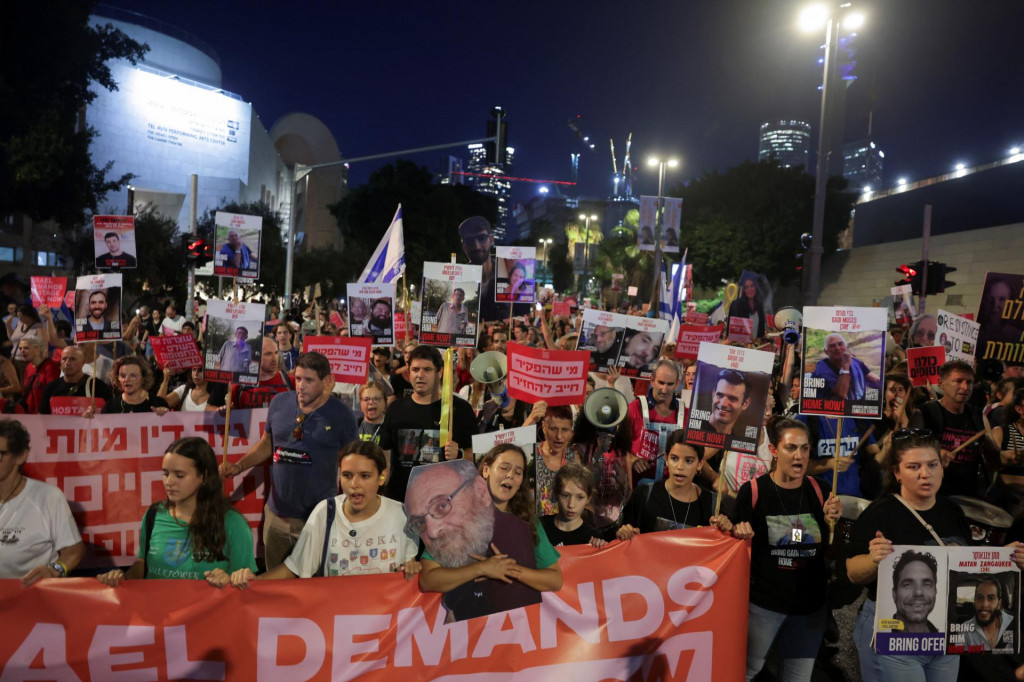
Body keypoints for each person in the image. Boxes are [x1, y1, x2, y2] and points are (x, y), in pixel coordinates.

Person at [845, 429, 1024, 681]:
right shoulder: (881, 513)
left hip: (944, 633)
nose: (924, 474)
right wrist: (874, 559)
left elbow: (964, 566)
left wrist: (1005, 559)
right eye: (913, 466)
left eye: (932, 465)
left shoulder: (952, 511)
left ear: (942, 467)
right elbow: (853, 572)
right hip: (894, 634)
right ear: (897, 472)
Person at [220, 352, 357, 569]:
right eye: (298, 378)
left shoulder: (342, 415)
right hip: (276, 518)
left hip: (317, 521)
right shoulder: (280, 402)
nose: (301, 386)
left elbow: (353, 462)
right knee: (275, 587)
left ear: (327, 381)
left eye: (309, 380)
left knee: (313, 587)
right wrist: (239, 466)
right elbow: (267, 442)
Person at [732, 416, 842, 682]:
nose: (799, 456)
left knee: (798, 678)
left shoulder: (821, 491)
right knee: (745, 672)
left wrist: (834, 525)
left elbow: (833, 551)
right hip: (763, 607)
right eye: (791, 448)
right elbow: (735, 547)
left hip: (809, 609)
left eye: (805, 448)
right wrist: (736, 531)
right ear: (773, 450)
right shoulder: (753, 492)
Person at [229, 441, 419, 584]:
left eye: (365, 476)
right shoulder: (325, 512)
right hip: (335, 623)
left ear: (382, 477)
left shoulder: (401, 515)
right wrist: (253, 582)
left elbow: (413, 569)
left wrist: (415, 568)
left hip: (385, 626)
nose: (354, 485)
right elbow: (294, 568)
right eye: (347, 475)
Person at [415, 450, 562, 622]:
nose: (510, 475)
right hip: (471, 630)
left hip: (519, 628)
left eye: (518, 472)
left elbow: (555, 579)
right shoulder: (456, 518)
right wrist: (482, 569)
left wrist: (508, 569)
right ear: (486, 471)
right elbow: (428, 579)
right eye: (504, 468)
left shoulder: (529, 522)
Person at [97, 437, 256, 586]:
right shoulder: (154, 514)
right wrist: (121, 578)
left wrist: (230, 580)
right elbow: (143, 564)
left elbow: (247, 585)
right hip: (156, 614)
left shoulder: (233, 524)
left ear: (204, 476)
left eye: (179, 475)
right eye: (165, 474)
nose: (169, 482)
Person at [378, 345, 475, 502]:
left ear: (440, 372)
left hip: (445, 505)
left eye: (427, 370)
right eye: (415, 369)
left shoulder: (460, 409)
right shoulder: (395, 409)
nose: (420, 375)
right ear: (408, 372)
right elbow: (385, 458)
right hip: (400, 501)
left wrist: (460, 454)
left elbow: (479, 458)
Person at [0, 419, 85, 586]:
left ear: (20, 456)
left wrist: (56, 569)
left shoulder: (48, 497)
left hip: (31, 600)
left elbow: (75, 550)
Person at [618, 430, 743, 538]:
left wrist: (729, 530)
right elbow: (622, 539)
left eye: (688, 461)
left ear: (700, 464)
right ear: (666, 459)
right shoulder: (643, 494)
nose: (680, 467)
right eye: (674, 458)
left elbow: (725, 549)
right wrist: (624, 533)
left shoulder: (713, 504)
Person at [909, 359, 1001, 498]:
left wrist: (1006, 456)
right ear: (941, 384)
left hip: (966, 496)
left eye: (969, 382)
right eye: (958, 381)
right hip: (930, 494)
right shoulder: (924, 413)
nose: (965, 387)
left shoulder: (978, 416)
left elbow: (993, 458)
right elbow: (907, 452)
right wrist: (934, 455)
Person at [626, 358, 686, 486]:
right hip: (636, 485)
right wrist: (632, 459)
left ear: (677, 383)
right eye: (661, 383)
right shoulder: (634, 408)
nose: (664, 389)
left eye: (670, 384)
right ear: (652, 380)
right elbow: (616, 446)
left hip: (671, 487)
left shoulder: (686, 413)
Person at [209, 338, 292, 411]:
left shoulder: (290, 382)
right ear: (257, 355)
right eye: (268, 354)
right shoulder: (239, 385)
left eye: (276, 353)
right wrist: (227, 412)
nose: (274, 359)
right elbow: (234, 416)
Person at [540, 463, 608, 547]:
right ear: (556, 494)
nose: (571, 505)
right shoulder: (539, 527)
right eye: (566, 496)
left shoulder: (593, 537)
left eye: (580, 497)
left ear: (588, 499)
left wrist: (600, 549)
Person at [534, 405, 582, 516]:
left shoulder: (575, 458)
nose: (559, 436)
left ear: (571, 432)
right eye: (553, 429)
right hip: (534, 528)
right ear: (544, 427)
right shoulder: (532, 453)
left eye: (564, 430)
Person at [38, 345, 112, 412]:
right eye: (64, 359)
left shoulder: (97, 387)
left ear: (83, 362)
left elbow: (109, 416)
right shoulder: (51, 388)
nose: (67, 363)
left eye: (72, 359)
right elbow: (42, 418)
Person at [811, 333, 882, 401]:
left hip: (857, 401)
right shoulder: (822, 368)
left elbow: (876, 380)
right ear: (826, 352)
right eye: (832, 346)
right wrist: (845, 365)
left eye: (840, 344)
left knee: (877, 396)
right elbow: (841, 395)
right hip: (831, 408)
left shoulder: (855, 362)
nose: (837, 348)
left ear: (846, 346)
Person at [885, 549, 940, 633]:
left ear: (935, 591)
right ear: (894, 594)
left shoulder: (945, 641)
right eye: (907, 585)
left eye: (927, 584)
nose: (918, 592)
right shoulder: (877, 638)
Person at [960, 577, 1015, 653]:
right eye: (979, 598)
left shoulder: (1014, 623)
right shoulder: (964, 630)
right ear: (974, 601)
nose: (984, 604)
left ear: (999, 603)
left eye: (991, 598)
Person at [17, 335, 60, 414]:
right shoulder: (29, 367)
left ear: (37, 349)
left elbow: (53, 393)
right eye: (20, 348)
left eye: (26, 348)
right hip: (29, 414)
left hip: (45, 414)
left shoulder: (50, 366)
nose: (22, 351)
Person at [704, 368, 753, 436]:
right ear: (713, 394)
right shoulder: (691, 432)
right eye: (720, 395)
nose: (723, 404)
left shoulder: (736, 444)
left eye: (732, 398)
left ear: (745, 404)